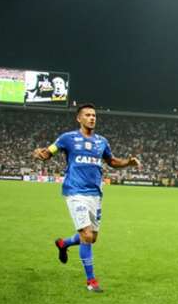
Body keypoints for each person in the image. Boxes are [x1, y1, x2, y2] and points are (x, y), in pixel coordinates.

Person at [32, 103, 141, 292]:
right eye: (88, 115)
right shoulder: (68, 138)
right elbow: (49, 151)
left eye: (94, 115)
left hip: (95, 194)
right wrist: (42, 154)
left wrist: (128, 163)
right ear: (79, 118)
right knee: (87, 235)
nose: (92, 118)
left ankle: (63, 243)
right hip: (75, 192)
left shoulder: (102, 141)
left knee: (92, 238)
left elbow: (112, 161)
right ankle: (91, 281)